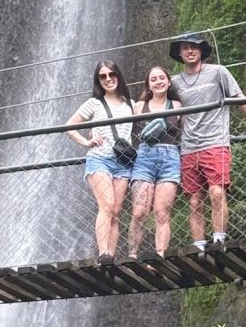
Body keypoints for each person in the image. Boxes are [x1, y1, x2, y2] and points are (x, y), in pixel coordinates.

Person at [169, 32, 246, 252]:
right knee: (194, 202)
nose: (190, 51)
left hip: (215, 143)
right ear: (180, 53)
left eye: (194, 47)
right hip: (189, 147)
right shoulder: (174, 83)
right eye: (185, 48)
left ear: (201, 50)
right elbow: (157, 104)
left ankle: (219, 240)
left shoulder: (218, 73)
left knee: (217, 193)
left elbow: (240, 98)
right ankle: (199, 247)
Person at [66, 60, 134, 265]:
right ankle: (103, 253)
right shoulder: (94, 103)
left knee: (116, 212)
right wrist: (87, 142)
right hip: (99, 159)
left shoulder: (129, 103)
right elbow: (70, 126)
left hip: (123, 161)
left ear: (118, 76)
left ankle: (110, 257)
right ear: (98, 81)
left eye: (111, 74)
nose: (108, 79)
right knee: (107, 205)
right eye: (102, 76)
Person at [128, 66, 182, 259]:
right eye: (153, 79)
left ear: (168, 82)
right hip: (144, 159)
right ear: (148, 85)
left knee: (161, 212)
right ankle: (132, 255)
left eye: (162, 78)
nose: (158, 81)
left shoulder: (177, 106)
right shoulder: (138, 107)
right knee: (139, 212)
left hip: (170, 159)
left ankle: (160, 255)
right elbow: (124, 129)